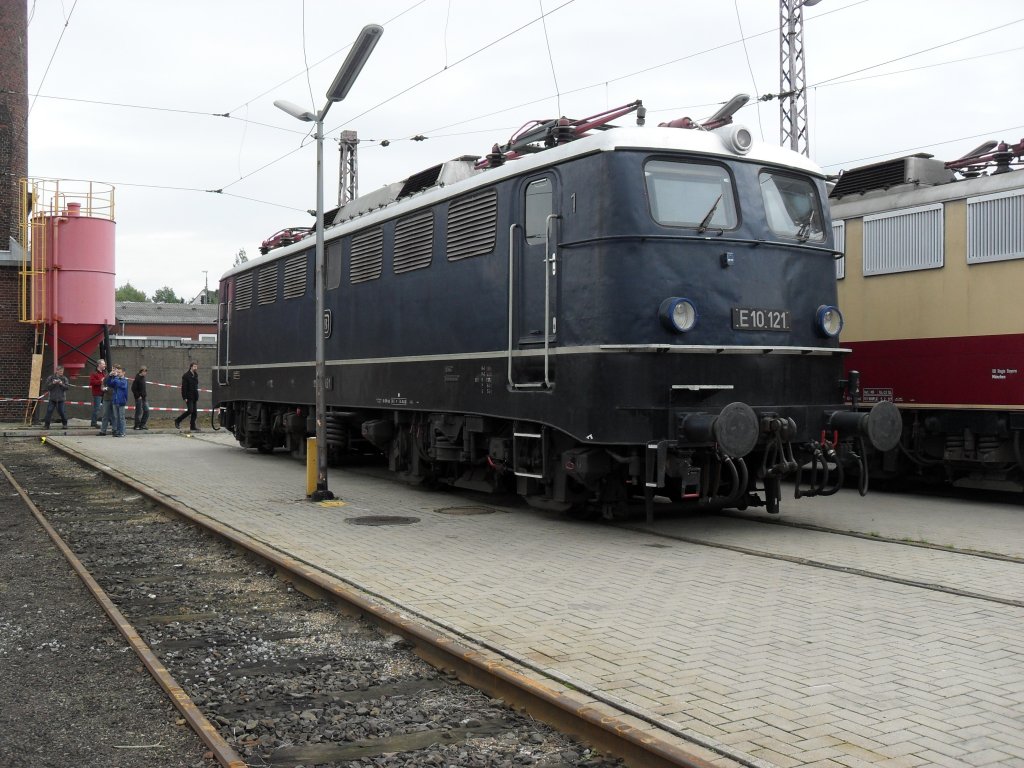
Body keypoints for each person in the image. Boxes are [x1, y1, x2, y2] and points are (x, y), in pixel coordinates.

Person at [174, 361, 201, 432]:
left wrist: (197, 395)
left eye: (196, 366)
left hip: (195, 396)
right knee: (190, 410)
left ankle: (192, 426)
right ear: (191, 367)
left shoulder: (196, 375)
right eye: (194, 366)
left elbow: (196, 386)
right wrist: (184, 397)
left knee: (194, 412)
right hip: (189, 396)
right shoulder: (186, 375)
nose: (196, 368)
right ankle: (177, 420)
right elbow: (184, 387)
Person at [42, 365, 70, 430]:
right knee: (49, 411)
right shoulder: (51, 378)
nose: (61, 372)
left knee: (62, 412)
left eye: (62, 371)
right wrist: (53, 383)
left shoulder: (64, 378)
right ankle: (46, 425)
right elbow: (47, 387)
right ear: (56, 371)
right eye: (60, 371)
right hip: (52, 398)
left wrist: (61, 384)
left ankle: (65, 424)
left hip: (61, 398)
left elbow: (67, 387)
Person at [108, 365, 129, 437]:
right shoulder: (116, 379)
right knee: (116, 417)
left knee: (121, 417)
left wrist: (116, 376)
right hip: (115, 401)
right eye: (117, 372)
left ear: (123, 373)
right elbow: (110, 384)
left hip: (121, 401)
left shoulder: (124, 381)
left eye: (119, 372)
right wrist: (110, 376)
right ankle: (117, 431)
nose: (118, 373)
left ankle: (122, 432)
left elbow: (120, 385)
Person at [88, 359, 107, 428]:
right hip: (97, 393)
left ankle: (109, 421)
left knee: (107, 407)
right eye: (103, 364)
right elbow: (91, 382)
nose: (105, 365)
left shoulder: (104, 373)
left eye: (104, 364)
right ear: (99, 365)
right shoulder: (94, 373)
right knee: (97, 408)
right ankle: (93, 422)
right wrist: (100, 381)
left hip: (104, 393)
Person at [97, 367, 115, 436]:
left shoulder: (117, 377)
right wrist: (103, 388)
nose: (113, 371)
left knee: (114, 416)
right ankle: (103, 431)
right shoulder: (107, 376)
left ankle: (114, 430)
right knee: (105, 415)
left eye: (115, 370)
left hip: (114, 399)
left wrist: (109, 388)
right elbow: (103, 384)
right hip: (106, 398)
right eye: (112, 369)